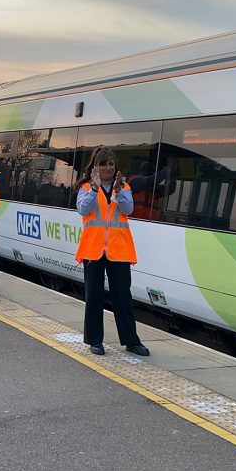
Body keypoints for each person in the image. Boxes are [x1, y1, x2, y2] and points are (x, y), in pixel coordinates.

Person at [75, 147, 150, 357]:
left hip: (119, 251)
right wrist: (94, 190)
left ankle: (131, 341)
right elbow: (82, 209)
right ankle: (95, 340)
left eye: (111, 164)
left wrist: (117, 191)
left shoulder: (124, 187)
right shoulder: (85, 187)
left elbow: (128, 210)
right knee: (94, 297)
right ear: (95, 167)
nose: (108, 167)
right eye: (103, 163)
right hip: (94, 251)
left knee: (122, 297)